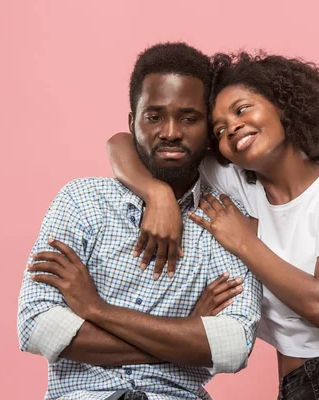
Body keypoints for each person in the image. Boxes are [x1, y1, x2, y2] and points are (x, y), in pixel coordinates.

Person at [107, 51, 319, 399]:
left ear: (282, 107)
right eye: (220, 129)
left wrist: (244, 241)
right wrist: (157, 195)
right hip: (294, 387)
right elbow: (123, 143)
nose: (233, 128)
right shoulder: (233, 180)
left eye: (242, 110)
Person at [17, 43, 262, 400]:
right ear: (133, 122)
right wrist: (187, 335)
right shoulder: (82, 202)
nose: (171, 132)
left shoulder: (225, 220)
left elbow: (233, 345)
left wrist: (94, 310)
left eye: (189, 118)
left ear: (209, 126)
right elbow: (37, 326)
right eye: (154, 116)